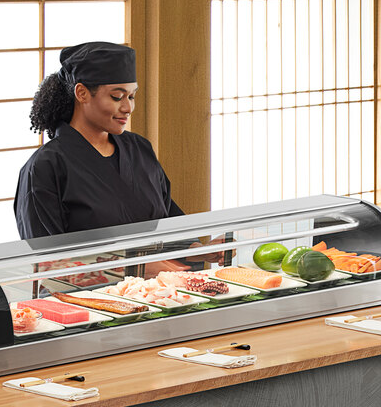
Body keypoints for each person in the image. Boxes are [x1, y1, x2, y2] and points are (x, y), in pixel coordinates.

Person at [13, 41, 225, 269]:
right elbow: (48, 263)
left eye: (131, 96)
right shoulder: (45, 167)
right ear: (82, 93)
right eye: (117, 97)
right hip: (92, 299)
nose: (128, 108)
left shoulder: (138, 148)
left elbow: (167, 219)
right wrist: (133, 269)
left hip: (159, 292)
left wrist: (198, 251)